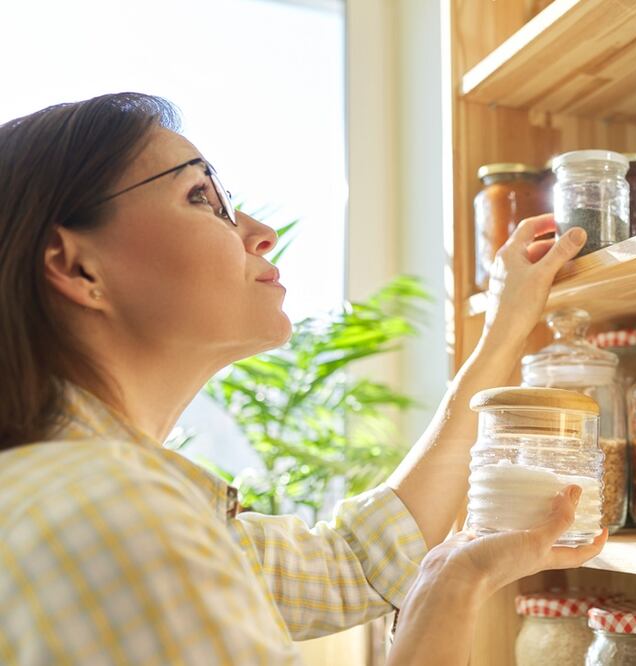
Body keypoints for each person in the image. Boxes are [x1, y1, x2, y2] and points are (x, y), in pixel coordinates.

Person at [0, 92, 605, 665]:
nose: (260, 232)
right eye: (201, 197)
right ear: (76, 266)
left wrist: (505, 325)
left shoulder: (85, 496)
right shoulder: (111, 516)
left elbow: (356, 564)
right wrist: (454, 586)